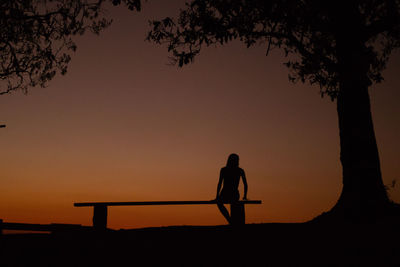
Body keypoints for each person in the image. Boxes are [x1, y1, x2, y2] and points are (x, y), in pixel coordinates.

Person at [215, 153, 248, 224]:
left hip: (230, 194)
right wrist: (245, 195)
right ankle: (230, 220)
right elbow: (245, 185)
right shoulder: (239, 170)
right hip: (229, 194)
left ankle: (230, 220)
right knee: (220, 203)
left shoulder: (225, 170)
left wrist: (217, 196)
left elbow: (219, 183)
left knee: (221, 204)